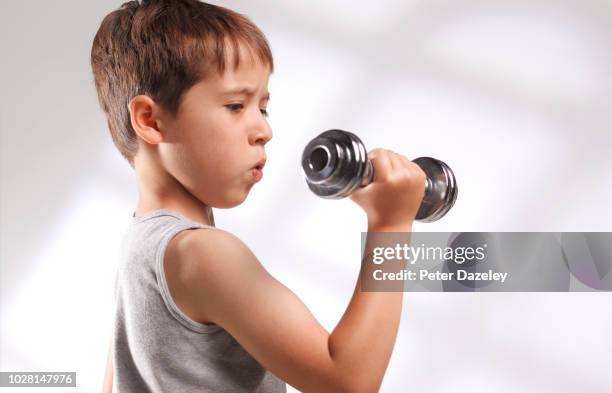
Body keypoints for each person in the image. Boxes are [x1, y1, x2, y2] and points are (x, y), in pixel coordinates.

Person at [91, 0, 426, 392]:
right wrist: (390, 226)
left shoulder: (140, 243)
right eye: (236, 105)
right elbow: (348, 382)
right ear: (150, 120)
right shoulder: (202, 253)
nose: (263, 130)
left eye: (262, 108)